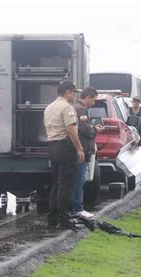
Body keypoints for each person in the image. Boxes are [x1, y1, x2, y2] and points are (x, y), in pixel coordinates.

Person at [44, 80, 85, 229]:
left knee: (56, 183)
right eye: (74, 92)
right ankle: (63, 219)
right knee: (66, 184)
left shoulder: (49, 107)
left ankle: (52, 218)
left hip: (52, 146)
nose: (74, 96)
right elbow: (71, 130)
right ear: (68, 92)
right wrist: (79, 148)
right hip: (65, 147)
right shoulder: (67, 107)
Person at [71, 87, 101, 219]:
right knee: (79, 180)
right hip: (81, 149)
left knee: (78, 180)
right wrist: (95, 130)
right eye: (93, 100)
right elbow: (84, 129)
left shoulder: (77, 107)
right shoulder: (81, 109)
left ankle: (76, 207)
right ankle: (77, 208)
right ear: (88, 97)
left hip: (79, 149)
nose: (93, 103)